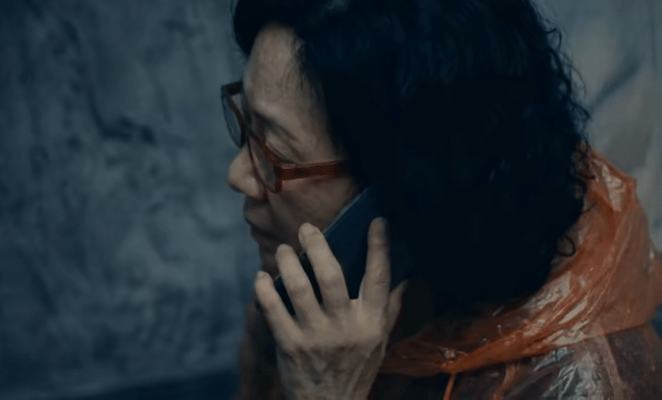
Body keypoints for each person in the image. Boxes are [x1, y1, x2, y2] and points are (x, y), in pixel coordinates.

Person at [222, 0, 662, 398]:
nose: (238, 175)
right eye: (248, 127)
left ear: (404, 188)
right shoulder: (302, 301)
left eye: (275, 154)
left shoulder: (581, 385)